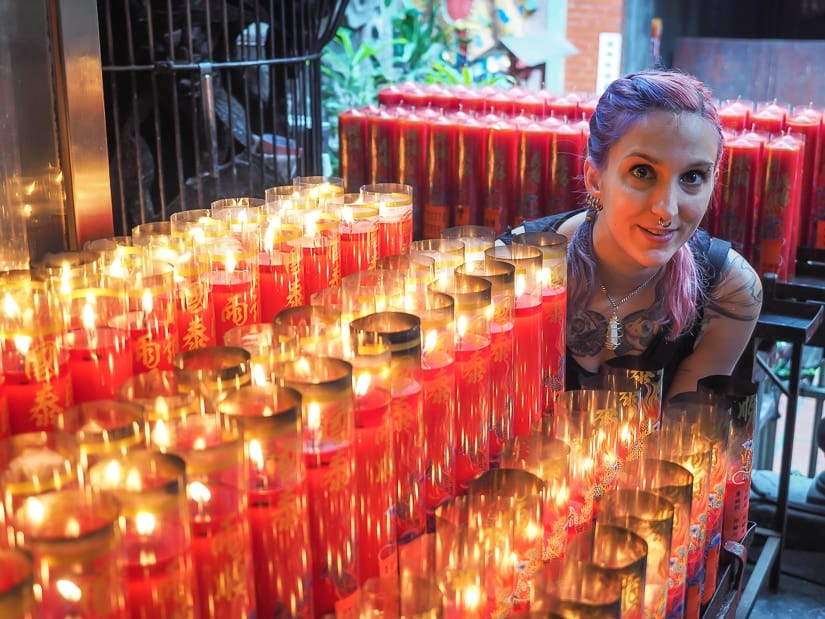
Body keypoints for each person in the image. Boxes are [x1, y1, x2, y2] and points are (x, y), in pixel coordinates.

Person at [507, 69, 763, 398]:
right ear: (595, 179)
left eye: (693, 177)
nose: (667, 209)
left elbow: (681, 442)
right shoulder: (513, 268)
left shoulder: (729, 290)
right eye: (642, 172)